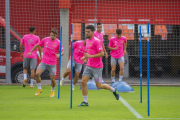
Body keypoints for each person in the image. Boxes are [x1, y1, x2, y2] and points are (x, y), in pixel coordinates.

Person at [78, 25, 119, 106]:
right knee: (83, 81)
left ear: (93, 32)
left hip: (97, 67)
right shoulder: (87, 40)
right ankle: (85, 102)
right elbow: (88, 52)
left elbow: (102, 53)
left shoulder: (96, 41)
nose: (86, 33)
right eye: (86, 31)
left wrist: (89, 56)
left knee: (99, 86)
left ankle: (114, 90)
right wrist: (84, 57)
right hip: (89, 65)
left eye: (88, 32)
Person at [27, 28, 64, 97]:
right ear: (50, 34)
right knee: (37, 74)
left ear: (56, 36)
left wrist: (59, 54)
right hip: (44, 62)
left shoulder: (58, 42)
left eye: (54, 35)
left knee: (52, 79)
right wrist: (31, 51)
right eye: (51, 35)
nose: (52, 36)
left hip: (52, 63)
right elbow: (37, 45)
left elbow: (62, 52)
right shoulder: (45, 39)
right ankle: (39, 89)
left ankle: (52, 91)